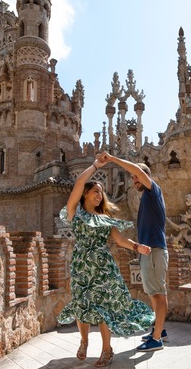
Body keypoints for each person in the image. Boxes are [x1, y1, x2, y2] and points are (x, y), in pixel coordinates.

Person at [57, 157, 155, 367]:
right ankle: (84, 342)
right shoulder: (76, 213)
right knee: (82, 305)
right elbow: (77, 185)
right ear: (85, 194)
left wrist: (138, 247)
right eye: (95, 191)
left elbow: (119, 240)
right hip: (82, 266)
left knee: (104, 309)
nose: (100, 194)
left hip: (103, 268)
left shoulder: (105, 218)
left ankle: (107, 350)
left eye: (101, 192)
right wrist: (94, 167)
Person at [97, 151, 168, 352]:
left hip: (154, 250)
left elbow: (137, 169)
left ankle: (156, 340)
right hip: (150, 250)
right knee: (155, 293)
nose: (133, 180)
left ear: (145, 177)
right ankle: (159, 330)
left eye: (136, 177)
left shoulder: (152, 190)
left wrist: (111, 159)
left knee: (158, 294)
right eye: (132, 178)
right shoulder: (147, 197)